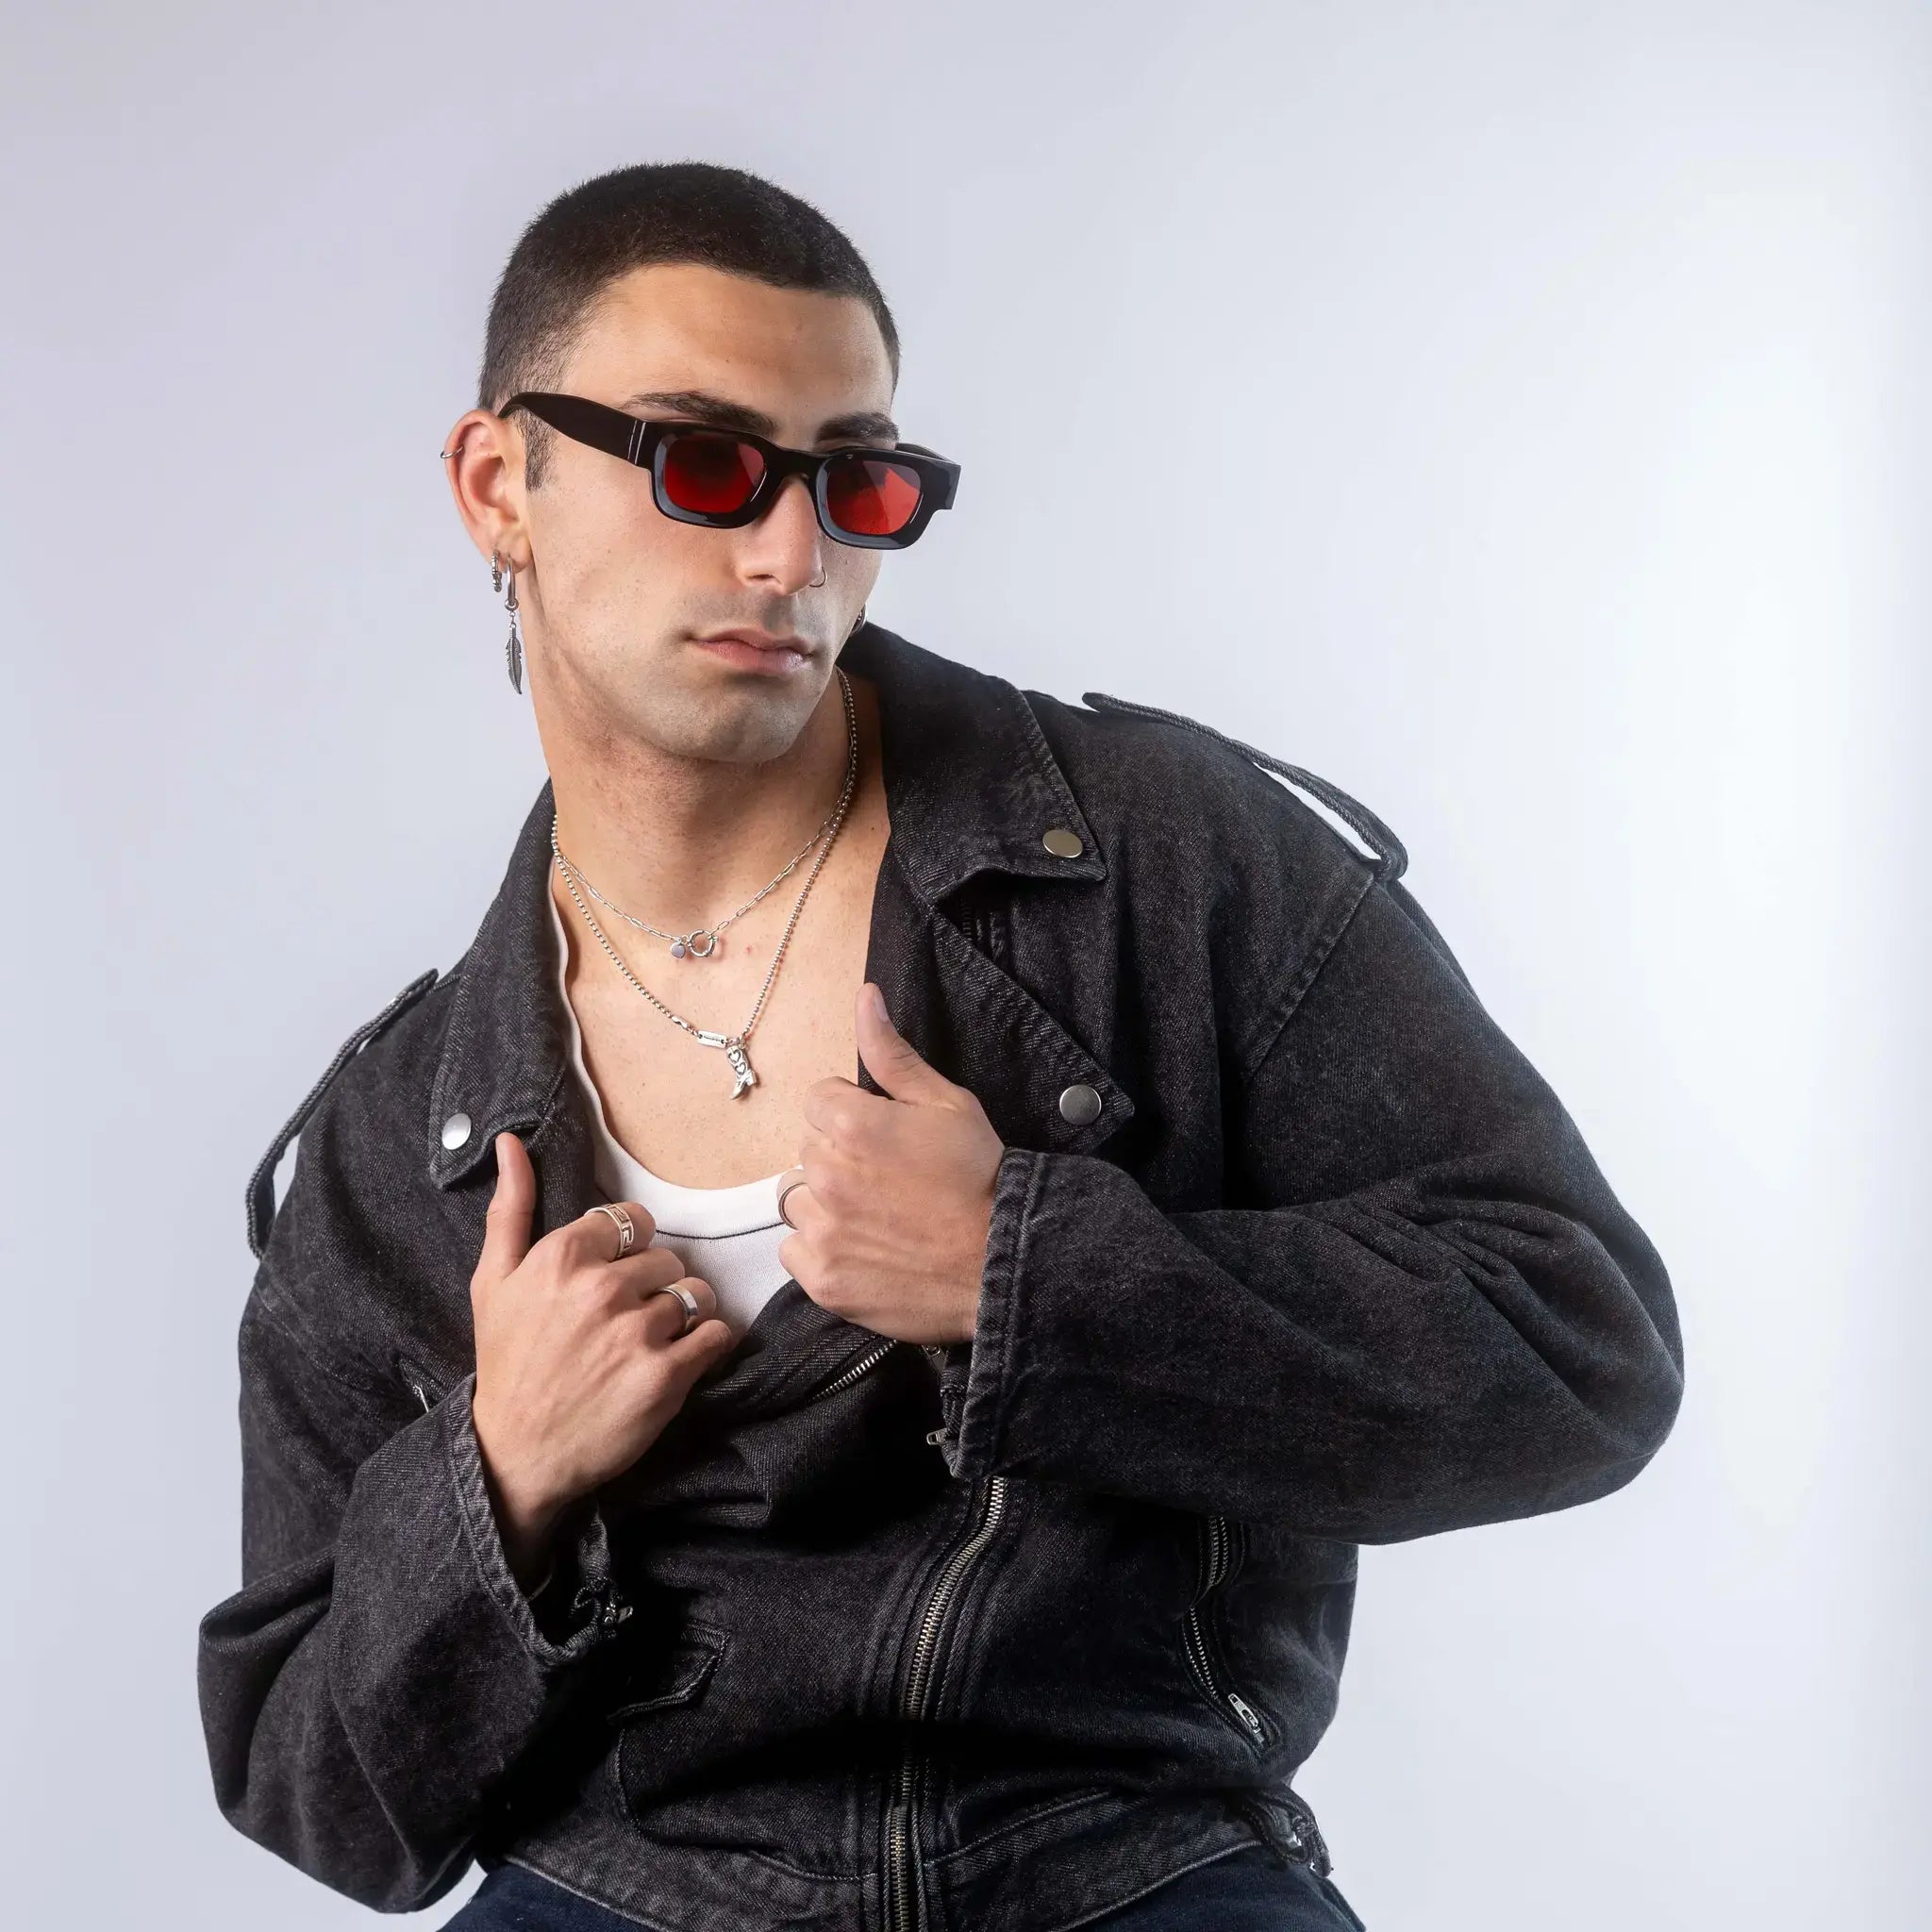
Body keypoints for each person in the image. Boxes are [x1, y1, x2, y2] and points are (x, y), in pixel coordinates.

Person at [195, 161, 1683, 1932]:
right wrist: (496, 1472)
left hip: (1133, 1859)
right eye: (705, 461)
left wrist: (1028, 1275)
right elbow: (320, 1794)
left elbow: (1577, 1347)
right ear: (498, 482)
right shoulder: (397, 1137)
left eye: (858, 481)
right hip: (631, 1886)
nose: (792, 553)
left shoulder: (1164, 861)